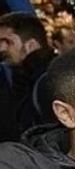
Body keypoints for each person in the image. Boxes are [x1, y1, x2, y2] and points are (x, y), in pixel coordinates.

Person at [0, 12, 54, 140]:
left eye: (8, 41)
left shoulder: (49, 82)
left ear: (31, 45)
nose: (2, 49)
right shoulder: (23, 79)